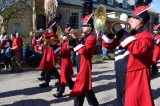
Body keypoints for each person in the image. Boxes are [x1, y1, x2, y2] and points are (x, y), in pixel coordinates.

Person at [102, 6, 154, 106]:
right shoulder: (127, 34)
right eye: (130, 17)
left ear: (141, 22)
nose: (130, 20)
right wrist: (110, 30)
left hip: (134, 76)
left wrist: (120, 31)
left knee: (132, 102)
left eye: (134, 18)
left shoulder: (146, 36)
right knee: (121, 101)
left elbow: (138, 49)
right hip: (120, 72)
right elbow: (108, 44)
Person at [70, 14, 99, 106]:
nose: (82, 27)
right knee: (86, 87)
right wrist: (70, 40)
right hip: (79, 63)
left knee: (80, 85)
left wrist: (76, 40)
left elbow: (84, 51)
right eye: (82, 25)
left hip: (85, 64)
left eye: (84, 25)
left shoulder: (91, 38)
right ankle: (94, 104)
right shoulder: (84, 37)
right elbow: (73, 48)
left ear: (90, 27)